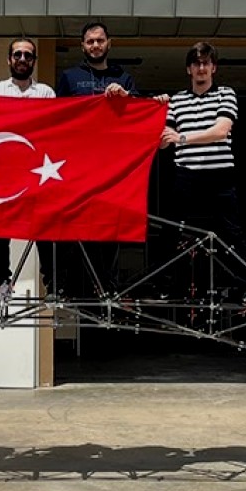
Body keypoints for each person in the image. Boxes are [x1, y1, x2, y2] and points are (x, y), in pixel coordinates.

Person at [55, 22, 168, 297]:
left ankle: (107, 286)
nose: (95, 45)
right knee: (74, 227)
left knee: (110, 226)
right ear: (82, 46)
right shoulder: (69, 78)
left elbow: (139, 115)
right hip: (77, 167)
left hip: (112, 169)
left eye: (100, 40)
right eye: (90, 41)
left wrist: (129, 98)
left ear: (109, 43)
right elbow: (56, 118)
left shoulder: (124, 77)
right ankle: (71, 287)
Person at [159, 41, 246, 307]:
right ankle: (168, 286)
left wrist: (181, 137)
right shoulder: (177, 100)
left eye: (206, 63)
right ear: (189, 69)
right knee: (173, 231)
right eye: (196, 63)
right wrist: (154, 112)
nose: (201, 68)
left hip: (219, 174)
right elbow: (163, 140)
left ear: (213, 67)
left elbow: (220, 131)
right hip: (186, 174)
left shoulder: (226, 94)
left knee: (233, 234)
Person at [0, 38, 57, 298]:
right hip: (4, 169)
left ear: (34, 61)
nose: (22, 59)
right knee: (0, 227)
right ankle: (3, 280)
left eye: (28, 55)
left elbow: (53, 127)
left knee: (43, 226)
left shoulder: (46, 93)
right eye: (17, 55)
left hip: (37, 168)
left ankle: (53, 282)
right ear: (9, 59)